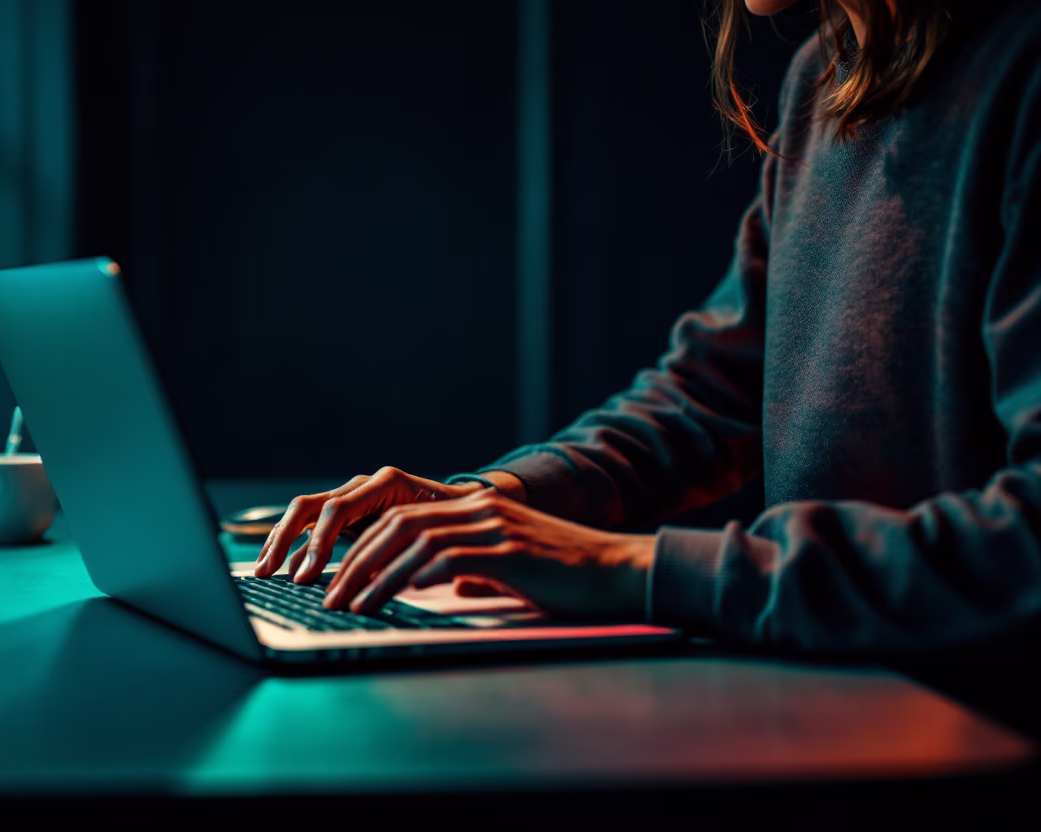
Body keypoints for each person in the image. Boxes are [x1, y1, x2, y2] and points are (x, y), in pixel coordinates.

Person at [255, 0, 1041, 661]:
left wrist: (628, 566)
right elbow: (712, 396)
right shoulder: (827, 77)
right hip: (835, 691)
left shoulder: (1022, 73)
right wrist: (486, 503)